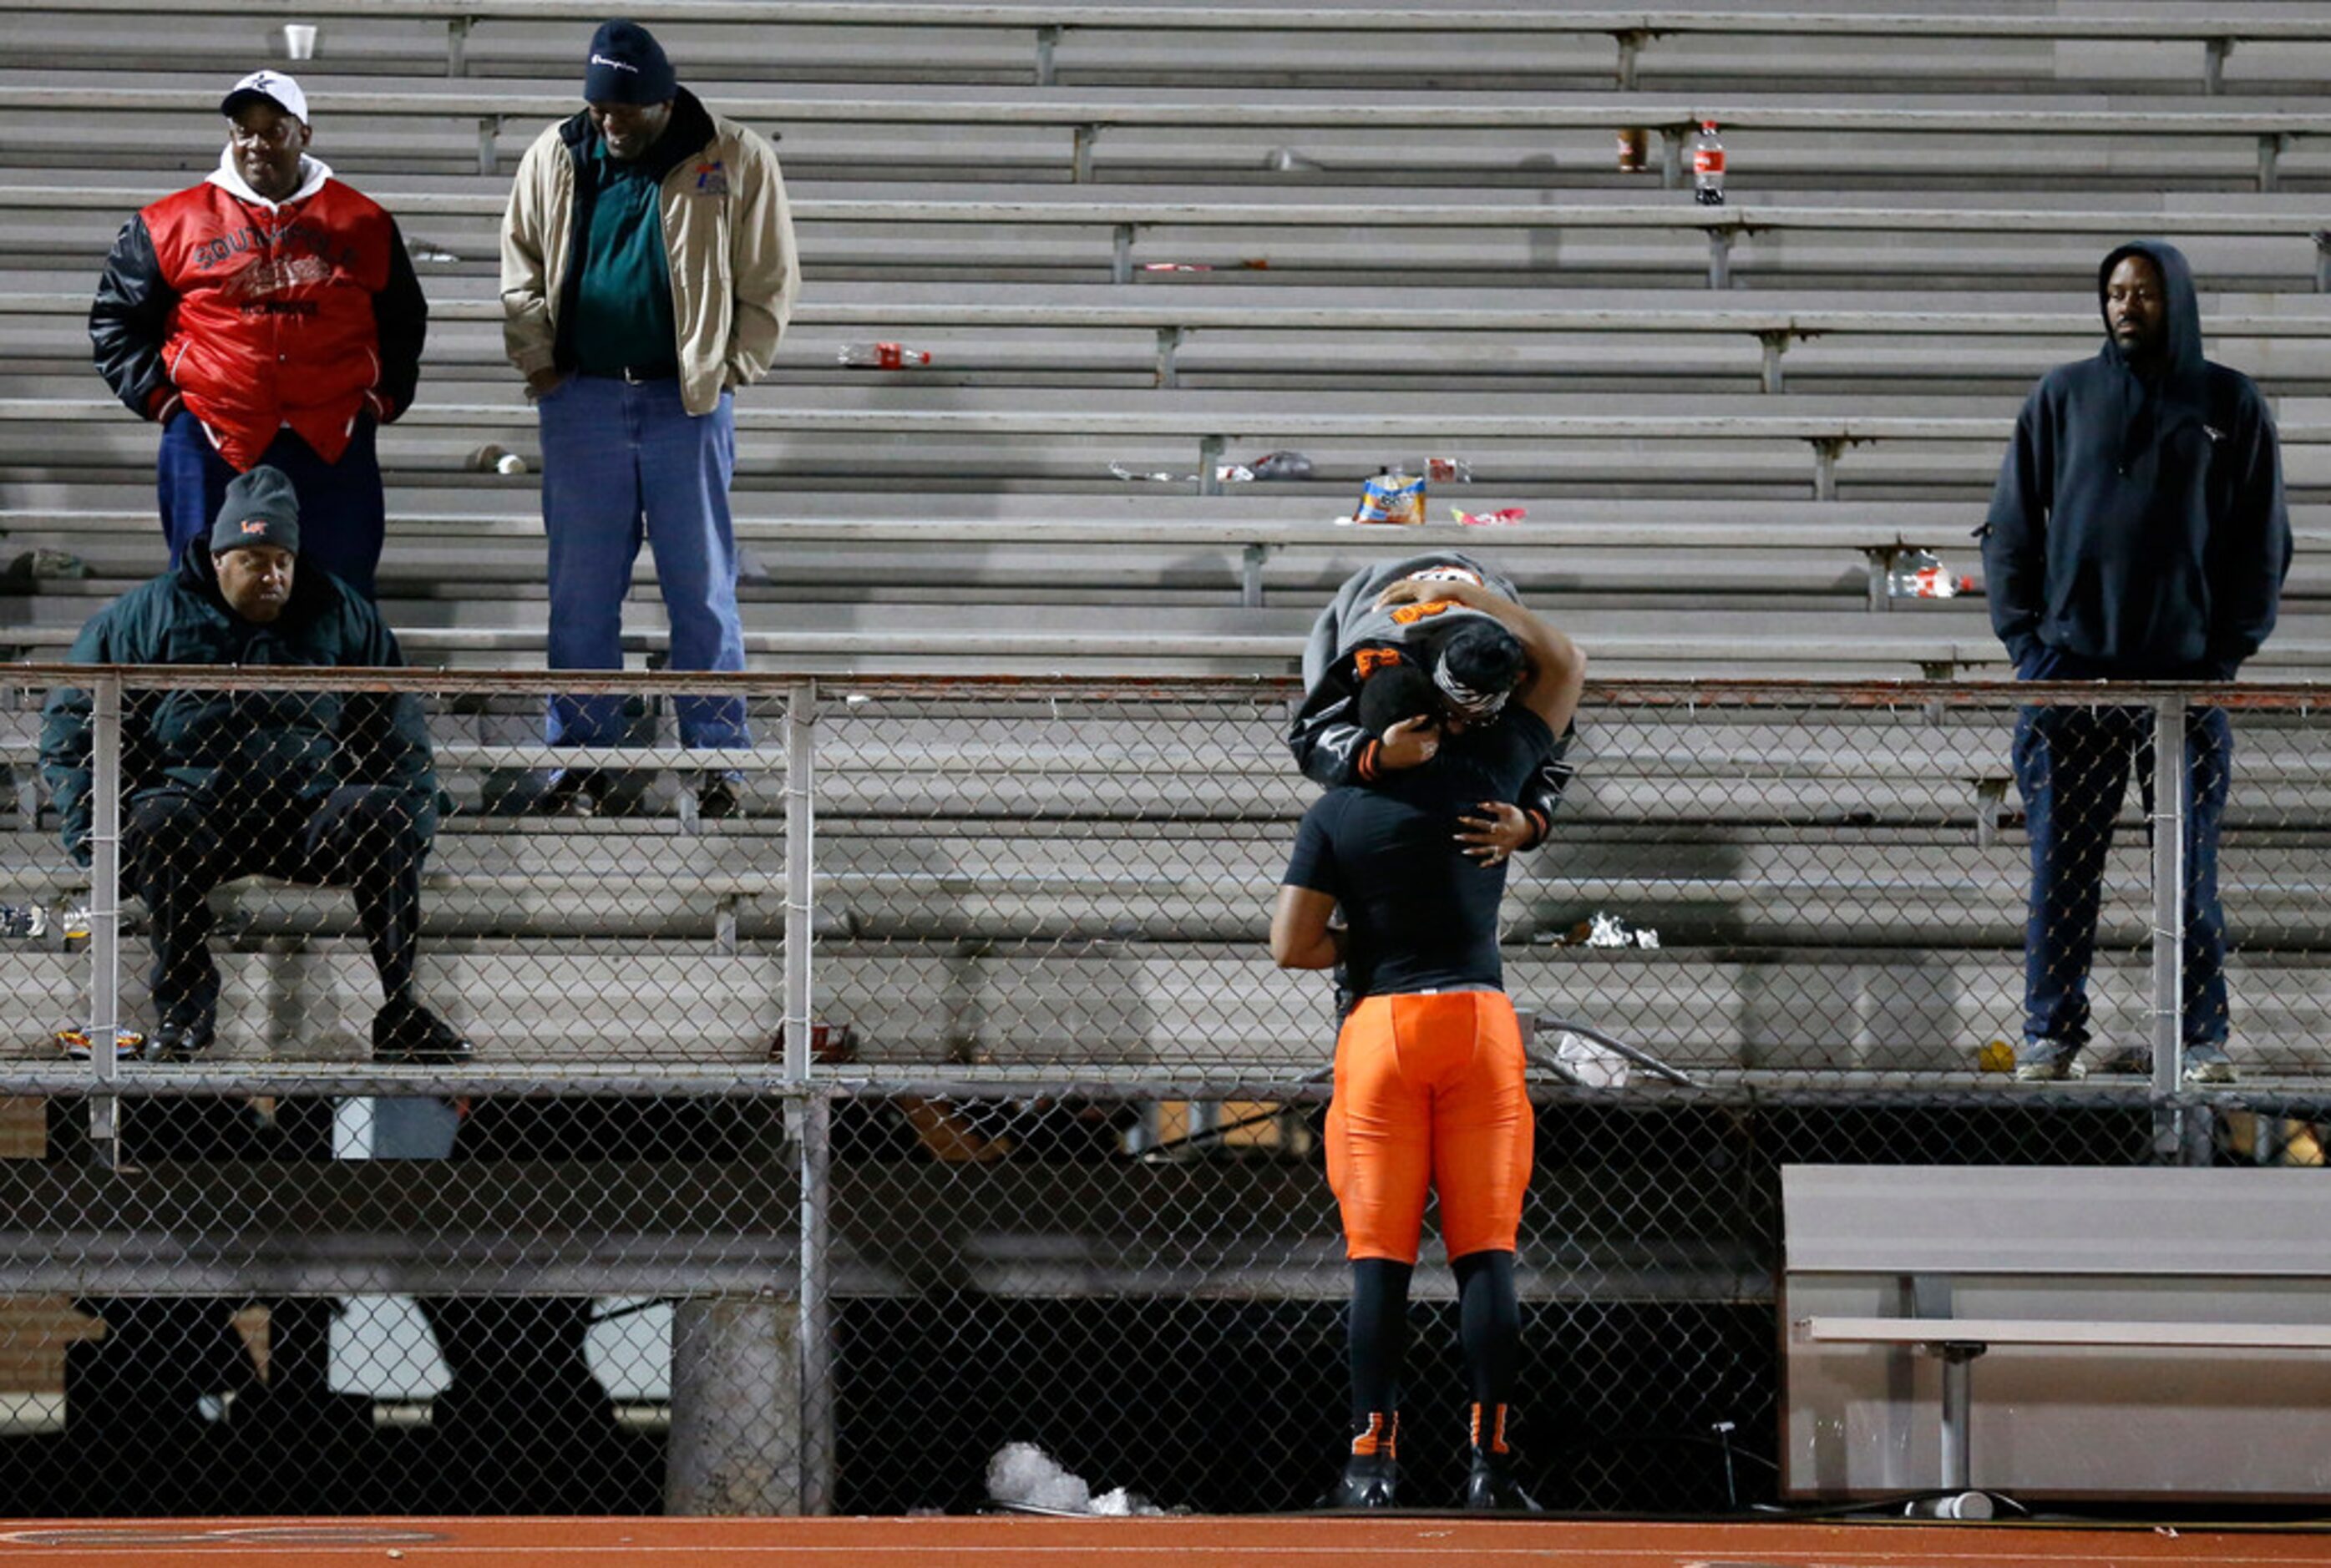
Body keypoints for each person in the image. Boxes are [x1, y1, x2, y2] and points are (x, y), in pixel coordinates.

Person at [1270, 574, 1586, 1511]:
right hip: (1479, 1025)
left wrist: (1362, 944)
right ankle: (1492, 1464)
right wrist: (1475, 592)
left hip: (1379, 1028)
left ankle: (1373, 1462)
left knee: (1380, 1261)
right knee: (1486, 1252)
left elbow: (1290, 945)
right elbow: (1566, 662)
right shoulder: (1494, 778)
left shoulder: (1334, 808)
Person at [1982, 240, 2289, 1085]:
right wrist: (2030, 649)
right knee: (2061, 870)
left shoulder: (2227, 402)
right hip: (2070, 680)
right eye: (2115, 293)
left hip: (2183, 688)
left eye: (2143, 294)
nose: (2125, 306)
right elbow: (2010, 529)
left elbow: (2263, 543)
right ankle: (2049, 1034)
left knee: (2186, 872)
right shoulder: (2063, 397)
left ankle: (2200, 1042)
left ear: (2175, 302)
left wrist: (2221, 657)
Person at [40, 466, 472, 1064]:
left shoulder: (337, 610)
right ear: (218, 559)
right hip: (197, 815)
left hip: (303, 814)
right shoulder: (149, 614)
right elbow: (71, 723)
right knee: (155, 819)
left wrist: (415, 827)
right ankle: (184, 1011)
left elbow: (399, 734)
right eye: (252, 560)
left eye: (281, 561)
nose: (271, 575)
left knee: (384, 810)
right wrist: (98, 837)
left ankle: (400, 1009)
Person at [499, 19, 800, 819]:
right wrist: (540, 362)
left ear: (664, 100)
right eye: (600, 109)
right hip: (583, 399)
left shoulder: (733, 158)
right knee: (580, 595)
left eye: (626, 111)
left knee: (701, 590)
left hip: (685, 403)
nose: (610, 123)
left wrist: (727, 368)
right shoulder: (555, 154)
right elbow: (519, 266)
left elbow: (769, 279)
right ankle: (583, 758)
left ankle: (714, 758)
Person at [89, 69, 427, 600]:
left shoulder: (365, 222)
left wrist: (380, 401)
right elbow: (115, 321)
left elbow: (404, 322)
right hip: (209, 436)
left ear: (304, 134)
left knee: (337, 594)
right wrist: (164, 401)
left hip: (331, 436)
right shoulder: (166, 222)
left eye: (274, 129)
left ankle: (330, 688)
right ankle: (203, 689)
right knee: (203, 595)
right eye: (244, 130)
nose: (257, 144)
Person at [1290, 552, 1574, 864]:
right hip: (1385, 633)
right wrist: (1379, 754)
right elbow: (1310, 734)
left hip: (1483, 609)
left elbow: (1551, 741)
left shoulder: (1528, 670)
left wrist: (1530, 823)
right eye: (1449, 714)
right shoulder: (1378, 659)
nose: (1454, 728)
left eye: (1472, 719)